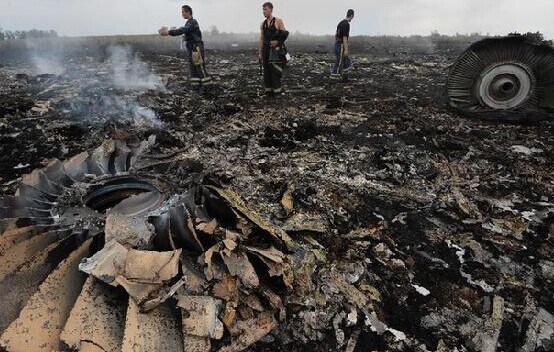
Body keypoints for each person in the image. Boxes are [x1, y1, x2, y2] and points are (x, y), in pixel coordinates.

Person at [159, 5, 212, 92]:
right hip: (191, 49)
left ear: (188, 12)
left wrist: (169, 32)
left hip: (196, 49)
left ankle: (207, 87)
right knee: (193, 69)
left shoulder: (192, 22)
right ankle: (196, 88)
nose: (182, 14)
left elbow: (183, 30)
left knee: (200, 68)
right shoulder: (188, 23)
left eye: (183, 12)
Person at [259, 2, 289, 95]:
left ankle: (277, 92)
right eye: (263, 10)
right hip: (266, 50)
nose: (264, 12)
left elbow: (285, 34)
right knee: (267, 71)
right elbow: (261, 39)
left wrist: (277, 42)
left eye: (265, 9)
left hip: (276, 51)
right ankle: (268, 91)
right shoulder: (263, 24)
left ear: (271, 10)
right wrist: (260, 53)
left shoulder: (278, 21)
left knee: (275, 71)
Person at [331, 9, 355, 79]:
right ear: (351, 15)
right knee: (339, 62)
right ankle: (334, 76)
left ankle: (345, 77)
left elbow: (336, 35)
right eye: (353, 17)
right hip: (341, 45)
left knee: (346, 61)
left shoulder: (340, 23)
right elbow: (345, 38)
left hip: (337, 44)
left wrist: (336, 44)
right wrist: (346, 50)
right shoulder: (346, 24)